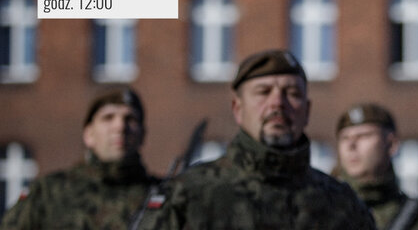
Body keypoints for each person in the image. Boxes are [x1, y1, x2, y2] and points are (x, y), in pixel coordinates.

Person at [142, 49, 375, 229]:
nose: (277, 103)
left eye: (292, 94)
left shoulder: (342, 204)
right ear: (237, 109)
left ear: (307, 110)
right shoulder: (189, 196)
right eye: (263, 92)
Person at [0, 86, 158, 230]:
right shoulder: (47, 195)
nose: (120, 127)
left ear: (143, 134)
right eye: (108, 117)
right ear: (88, 134)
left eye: (130, 119)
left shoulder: (165, 198)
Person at [334, 103, 418, 230]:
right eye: (344, 138)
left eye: (363, 136)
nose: (351, 145)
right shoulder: (321, 209)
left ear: (392, 144)